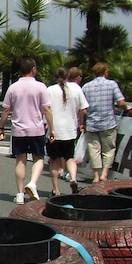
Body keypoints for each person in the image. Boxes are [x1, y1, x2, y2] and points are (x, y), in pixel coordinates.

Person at [0, 57, 55, 204]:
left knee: (20, 160)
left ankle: (19, 194)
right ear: (33, 69)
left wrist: (1, 127)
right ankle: (33, 183)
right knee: (39, 158)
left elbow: (6, 110)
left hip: (18, 130)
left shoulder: (13, 88)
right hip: (36, 129)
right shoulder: (41, 87)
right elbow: (47, 109)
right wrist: (52, 128)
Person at [82, 62, 132, 182]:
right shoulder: (112, 84)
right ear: (105, 72)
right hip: (108, 122)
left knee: (94, 150)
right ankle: (104, 174)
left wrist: (83, 123)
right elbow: (121, 103)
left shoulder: (86, 87)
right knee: (108, 149)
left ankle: (95, 175)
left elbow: (83, 109)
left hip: (92, 123)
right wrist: (127, 107)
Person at [46, 67, 88, 195]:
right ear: (68, 75)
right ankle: (73, 179)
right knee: (69, 158)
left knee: (54, 160)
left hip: (54, 130)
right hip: (70, 130)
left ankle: (56, 189)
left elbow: (46, 110)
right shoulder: (76, 89)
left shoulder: (50, 90)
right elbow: (84, 109)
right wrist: (82, 123)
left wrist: (48, 125)